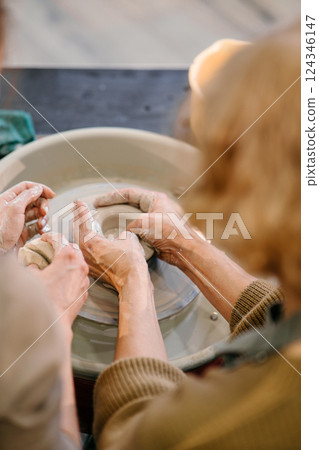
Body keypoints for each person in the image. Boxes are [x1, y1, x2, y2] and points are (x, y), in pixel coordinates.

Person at [71, 22, 301, 449]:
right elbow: (292, 320)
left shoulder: (258, 412)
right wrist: (184, 244)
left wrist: (131, 283)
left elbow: (134, 435)